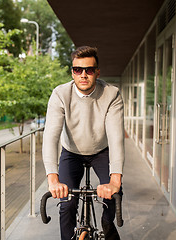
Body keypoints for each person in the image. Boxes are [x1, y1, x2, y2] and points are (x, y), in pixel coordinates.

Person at [42, 46, 125, 240]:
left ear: (97, 72)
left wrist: (115, 181)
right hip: (71, 152)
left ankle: (106, 224)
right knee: (67, 203)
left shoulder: (112, 94)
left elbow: (116, 138)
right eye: (78, 70)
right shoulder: (60, 94)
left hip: (101, 151)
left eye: (89, 70)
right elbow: (50, 137)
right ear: (72, 72)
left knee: (113, 197)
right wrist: (53, 180)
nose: (83, 75)